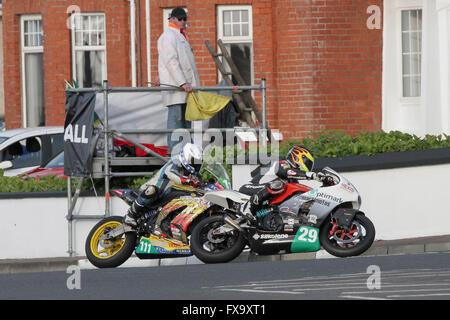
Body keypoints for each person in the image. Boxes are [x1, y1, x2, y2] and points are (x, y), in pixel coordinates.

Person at [123, 143, 203, 227]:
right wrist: (185, 180)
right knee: (152, 190)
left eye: (198, 162)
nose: (196, 164)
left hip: (167, 197)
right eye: (194, 161)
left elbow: (200, 181)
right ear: (187, 156)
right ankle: (130, 216)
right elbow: (170, 173)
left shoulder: (192, 172)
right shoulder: (175, 162)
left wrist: (205, 185)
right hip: (153, 192)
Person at [239, 145, 323, 220]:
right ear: (297, 157)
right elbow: (286, 172)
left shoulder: (292, 180)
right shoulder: (282, 163)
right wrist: (311, 175)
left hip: (262, 201)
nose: (308, 166)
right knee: (279, 184)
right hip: (251, 188)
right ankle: (247, 206)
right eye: (308, 162)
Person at [157, 7, 200, 153]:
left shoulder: (180, 36)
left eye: (184, 19)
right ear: (172, 19)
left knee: (186, 122)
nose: (183, 21)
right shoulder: (168, 36)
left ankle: (187, 151)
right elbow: (171, 61)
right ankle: (175, 152)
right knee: (176, 120)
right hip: (176, 87)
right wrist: (182, 82)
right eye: (180, 18)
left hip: (184, 87)